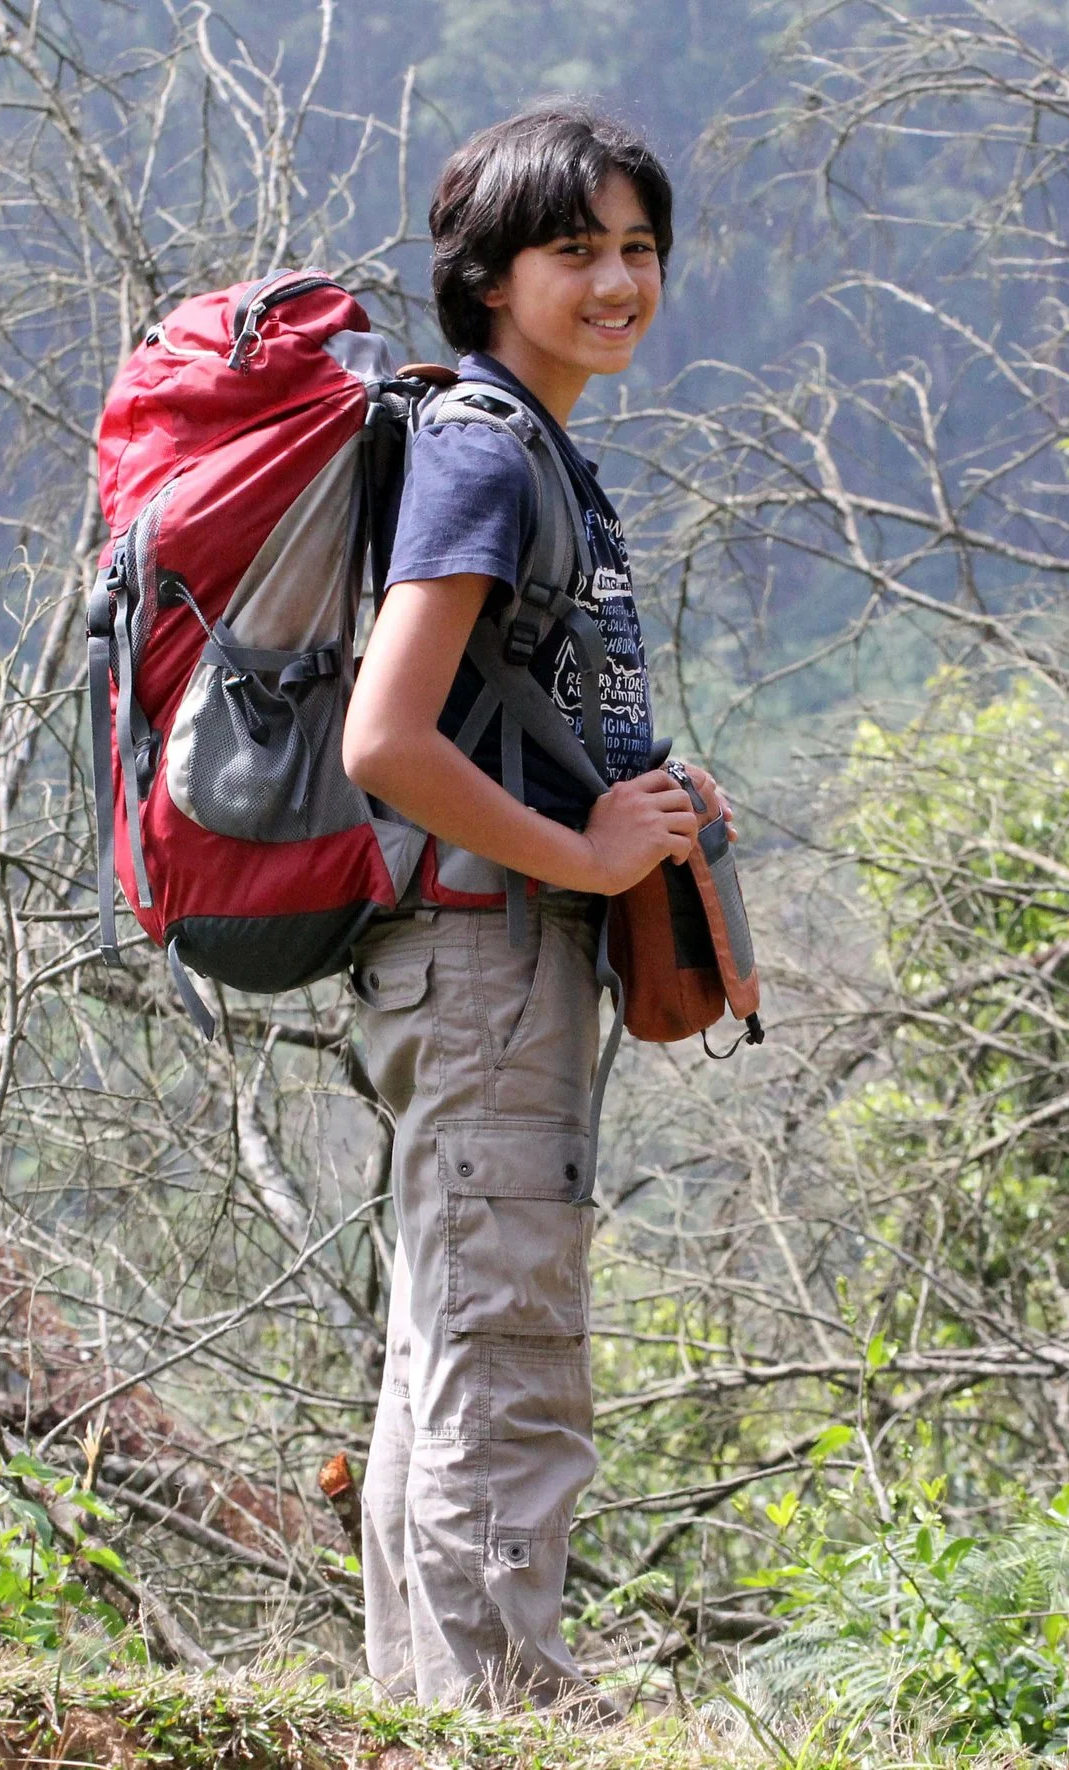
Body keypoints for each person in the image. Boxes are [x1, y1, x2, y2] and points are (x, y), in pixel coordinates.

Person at [339, 103, 724, 1710]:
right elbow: (386, 735)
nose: (619, 280)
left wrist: (639, 811)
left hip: (482, 949)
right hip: (485, 948)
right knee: (506, 1340)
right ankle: (508, 1716)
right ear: (490, 276)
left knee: (450, 1336)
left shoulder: (523, 446)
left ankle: (426, 1710)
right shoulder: (488, 449)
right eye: (577, 251)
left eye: (639, 249)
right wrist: (580, 858)